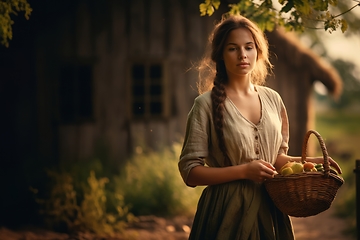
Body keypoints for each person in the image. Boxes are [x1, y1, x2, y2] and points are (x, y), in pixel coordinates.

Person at [178, 15, 342, 240]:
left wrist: (306, 163)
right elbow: (190, 172)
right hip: (226, 212)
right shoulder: (204, 105)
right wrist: (244, 171)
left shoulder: (273, 99)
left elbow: (274, 159)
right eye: (233, 48)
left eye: (249, 47)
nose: (243, 55)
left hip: (269, 209)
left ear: (259, 52)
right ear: (220, 55)